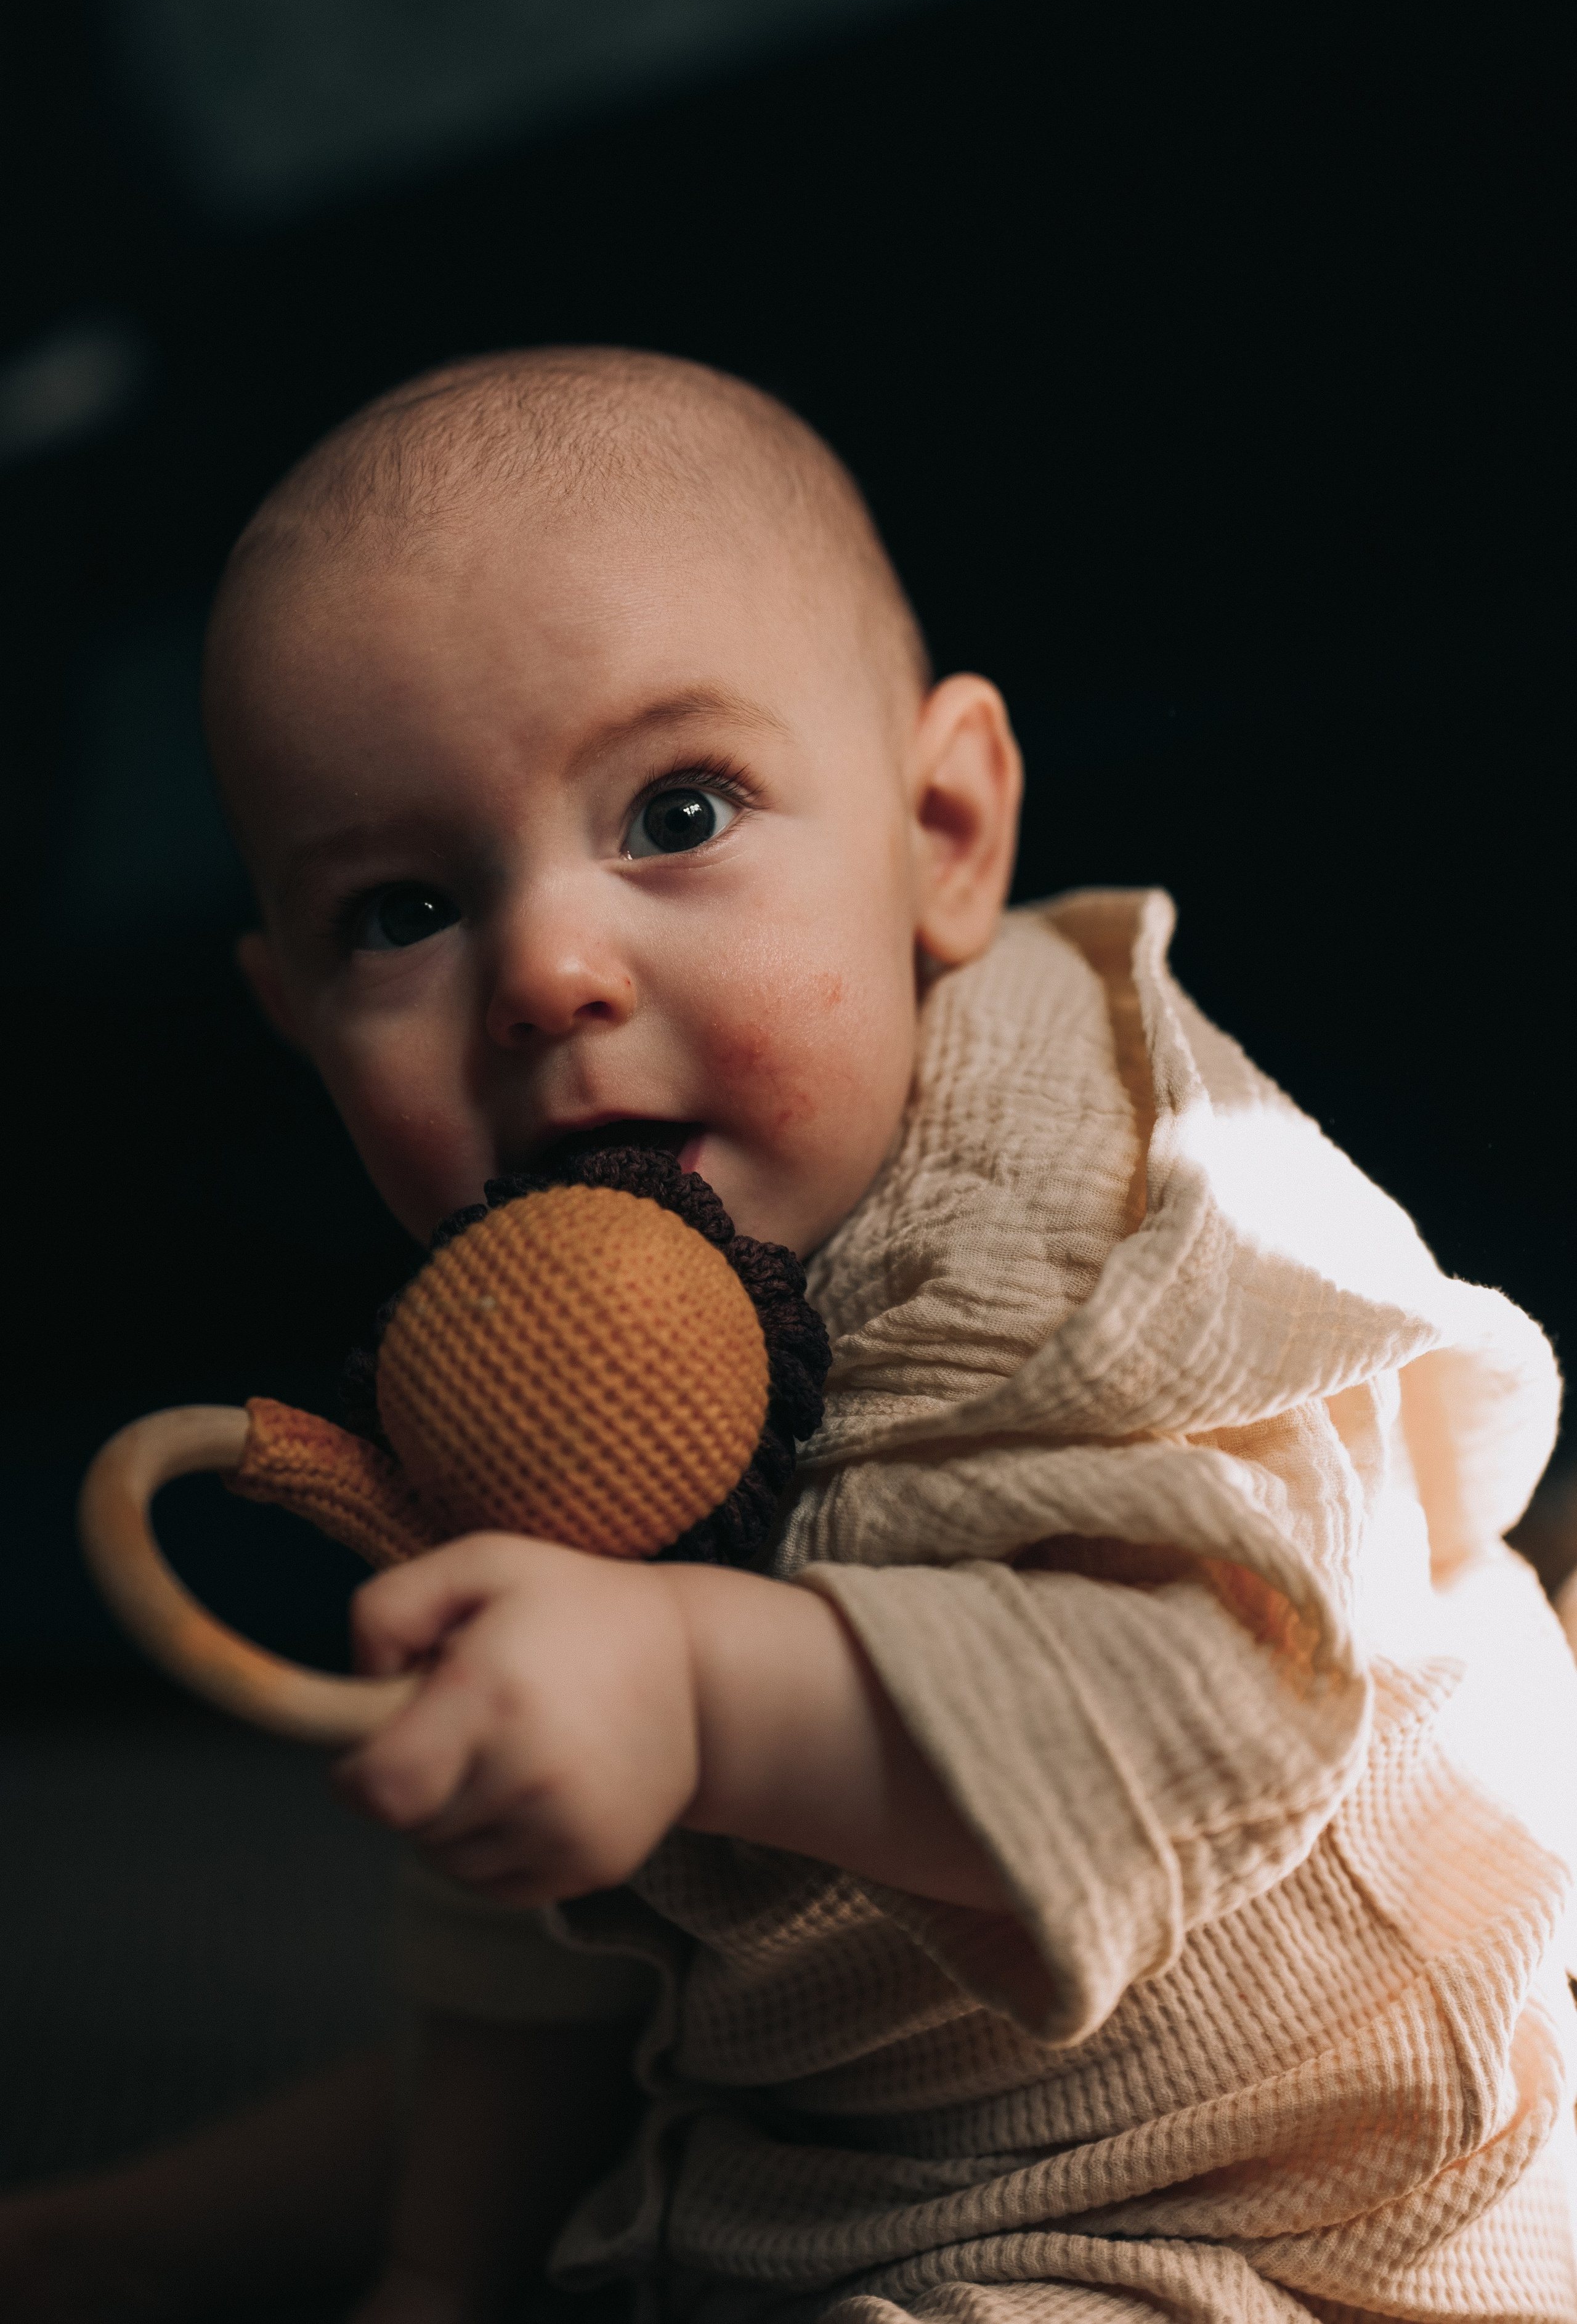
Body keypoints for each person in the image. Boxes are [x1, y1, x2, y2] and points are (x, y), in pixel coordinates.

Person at [6, 347, 1576, 2324]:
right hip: (826, 2117)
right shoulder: (555, 1330)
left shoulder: (1110, 1218)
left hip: (1290, 2179)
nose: (550, 973)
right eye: (402, 912)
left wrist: (684, 1685)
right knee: (455, 2083)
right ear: (296, 1016)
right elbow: (542, 1938)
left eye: (676, 809)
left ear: (938, 831)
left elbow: (1216, 1709)